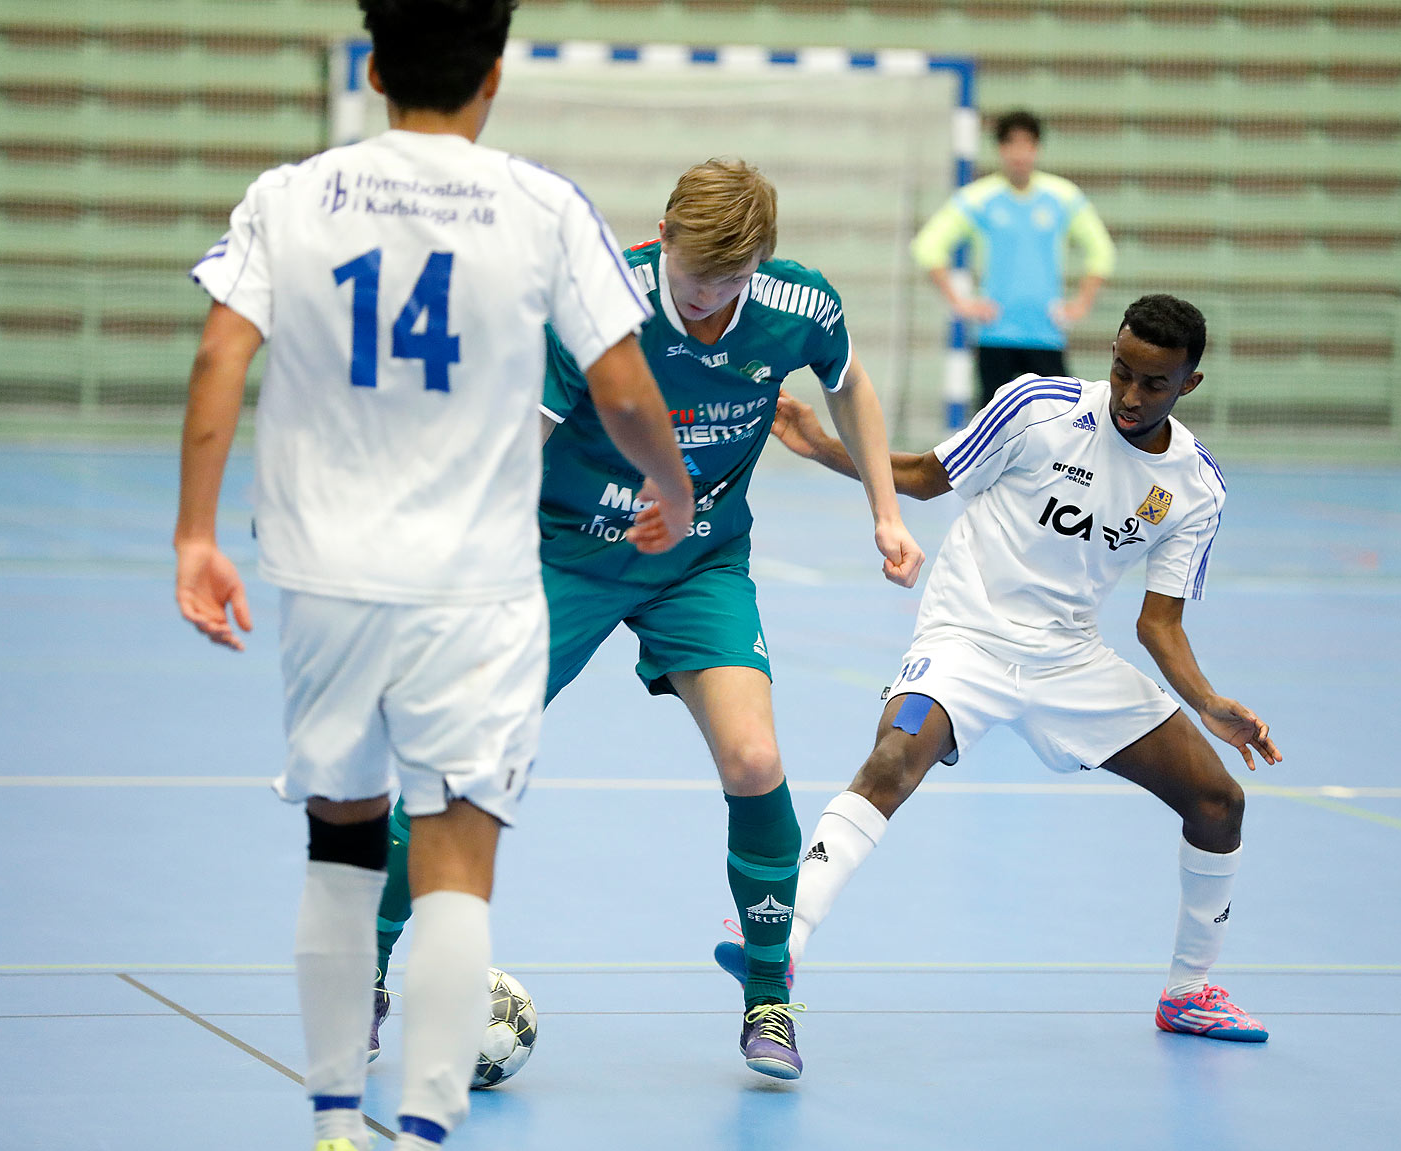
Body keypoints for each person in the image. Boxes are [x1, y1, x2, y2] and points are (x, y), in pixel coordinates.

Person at [174, 1, 694, 1151]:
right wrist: (669, 486)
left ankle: (329, 1138)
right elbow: (619, 389)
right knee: (458, 861)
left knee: (340, 850)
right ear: (494, 77)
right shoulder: (543, 204)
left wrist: (197, 532)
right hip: (475, 588)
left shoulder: (289, 195)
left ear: (372, 66)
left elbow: (219, 356)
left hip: (325, 578)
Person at [370, 157, 925, 1082]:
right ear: (661, 236)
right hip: (567, 556)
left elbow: (851, 384)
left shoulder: (799, 304)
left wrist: (885, 510)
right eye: (697, 277)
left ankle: (769, 997)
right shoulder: (594, 300)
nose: (711, 300)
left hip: (699, 561)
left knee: (755, 760)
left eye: (733, 281)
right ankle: (370, 972)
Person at [739, 294, 1282, 1041]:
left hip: (1069, 658)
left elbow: (1159, 625)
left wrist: (1209, 703)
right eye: (1121, 370)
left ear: (1187, 385)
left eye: (1152, 384)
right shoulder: (1038, 407)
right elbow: (929, 477)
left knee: (1220, 803)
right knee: (893, 760)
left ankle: (1189, 992)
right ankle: (780, 948)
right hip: (967, 634)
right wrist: (824, 446)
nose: (1129, 394)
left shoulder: (1195, 487)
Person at [913, 109, 1116, 412]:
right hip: (995, 333)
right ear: (1000, 149)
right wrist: (960, 302)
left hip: (1046, 333)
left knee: (1059, 421)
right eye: (1011, 144)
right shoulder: (978, 198)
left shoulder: (1063, 197)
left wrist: (1081, 303)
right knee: (992, 425)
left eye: (1027, 144)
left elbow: (1102, 251)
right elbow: (928, 247)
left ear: (1037, 148)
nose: (1019, 153)